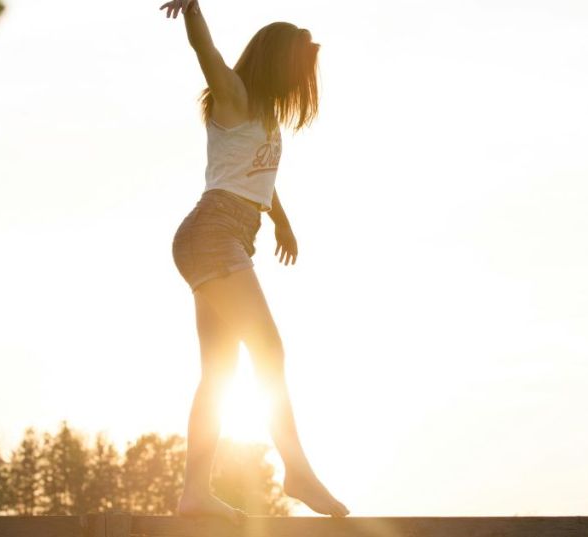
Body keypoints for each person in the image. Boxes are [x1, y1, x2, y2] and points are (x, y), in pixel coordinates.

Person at [159, 0, 350, 524]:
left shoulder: (262, 116)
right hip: (212, 232)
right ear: (272, 62)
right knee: (269, 348)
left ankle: (194, 492)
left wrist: (280, 219)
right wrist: (193, 9)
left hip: (227, 237)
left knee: (218, 373)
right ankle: (298, 470)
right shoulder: (235, 96)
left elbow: (257, 178)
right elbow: (206, 52)